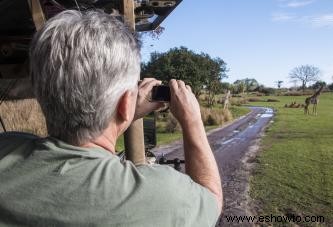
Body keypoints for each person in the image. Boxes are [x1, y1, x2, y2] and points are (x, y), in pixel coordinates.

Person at [0, 10, 222, 226]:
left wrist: (118, 115)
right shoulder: (161, 195)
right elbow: (211, 200)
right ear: (126, 103)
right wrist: (192, 120)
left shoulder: (7, 147)